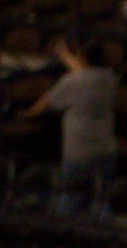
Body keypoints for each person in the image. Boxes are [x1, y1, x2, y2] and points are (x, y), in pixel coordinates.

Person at [20, 40, 117, 216]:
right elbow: (84, 73)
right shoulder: (109, 77)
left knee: (70, 197)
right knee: (101, 197)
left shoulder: (72, 81)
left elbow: (46, 101)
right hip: (106, 149)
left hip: (79, 150)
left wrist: (27, 114)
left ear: (82, 58)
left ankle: (61, 229)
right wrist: (64, 55)